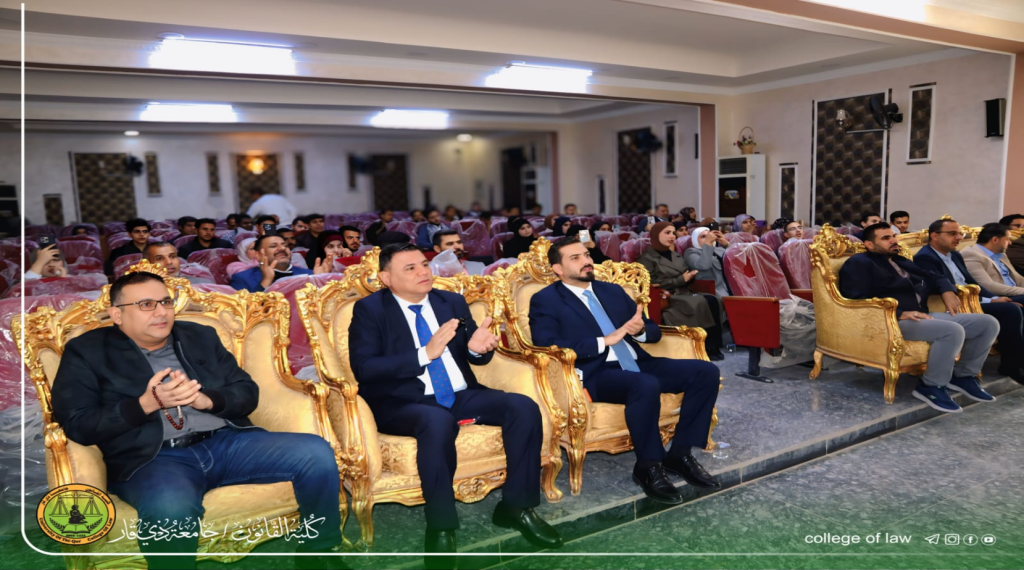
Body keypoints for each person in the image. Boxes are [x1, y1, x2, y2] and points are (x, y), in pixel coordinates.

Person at [50, 272, 343, 570]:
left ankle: (319, 552)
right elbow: (78, 424)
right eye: (147, 304)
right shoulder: (87, 351)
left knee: (316, 452)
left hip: (226, 442)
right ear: (117, 314)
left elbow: (247, 392)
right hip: (152, 459)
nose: (161, 312)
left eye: (165, 302)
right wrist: (146, 404)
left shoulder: (199, 336)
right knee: (170, 508)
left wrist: (208, 400)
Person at [347, 244, 563, 563]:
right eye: (410, 268)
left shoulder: (450, 301)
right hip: (402, 400)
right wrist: (425, 353)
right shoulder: (370, 310)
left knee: (523, 407)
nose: (423, 272)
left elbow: (475, 352)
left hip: (459, 392)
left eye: (424, 264)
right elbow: (365, 368)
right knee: (436, 421)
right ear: (386, 278)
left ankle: (517, 507)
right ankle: (441, 526)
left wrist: (477, 349)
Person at [529, 238, 721, 504]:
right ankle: (648, 466)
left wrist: (640, 331)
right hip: (596, 373)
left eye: (586, 255)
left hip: (637, 362)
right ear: (558, 269)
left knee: (705, 371)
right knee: (644, 384)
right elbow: (546, 344)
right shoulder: (545, 300)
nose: (586, 261)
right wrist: (603, 341)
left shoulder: (612, 291)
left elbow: (651, 329)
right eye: (575, 258)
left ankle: (679, 454)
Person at [839, 222, 999, 411]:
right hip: (889, 320)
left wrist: (947, 290)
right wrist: (900, 313)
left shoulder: (899, 260)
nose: (893, 240)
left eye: (893, 236)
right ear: (869, 245)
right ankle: (931, 386)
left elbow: (934, 276)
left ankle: (963, 376)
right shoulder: (859, 263)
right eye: (886, 238)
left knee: (988, 323)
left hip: (920, 314)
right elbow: (856, 299)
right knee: (952, 331)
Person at [915, 219, 1024, 384]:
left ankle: (1016, 361)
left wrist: (994, 298)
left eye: (960, 233)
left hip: (974, 299)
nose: (959, 238)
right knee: (1010, 310)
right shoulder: (925, 257)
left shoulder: (955, 255)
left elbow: (973, 283)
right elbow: (943, 286)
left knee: (1014, 306)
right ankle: (1012, 366)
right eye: (952, 234)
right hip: (953, 304)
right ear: (935, 236)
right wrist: (991, 301)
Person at [638, 222, 724, 359]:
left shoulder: (676, 255)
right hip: (667, 295)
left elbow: (685, 274)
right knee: (698, 302)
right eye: (667, 233)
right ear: (656, 235)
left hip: (684, 291)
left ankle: (713, 345)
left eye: (673, 233)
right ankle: (703, 346)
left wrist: (689, 277)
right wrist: (681, 279)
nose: (672, 236)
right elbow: (650, 284)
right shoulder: (646, 258)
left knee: (713, 300)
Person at [230, 234, 332, 292]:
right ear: (258, 255)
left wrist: (322, 281)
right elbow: (244, 312)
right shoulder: (242, 278)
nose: (282, 248)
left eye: (285, 245)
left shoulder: (309, 274)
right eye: (273, 246)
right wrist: (266, 281)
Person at [961, 222, 1024, 299]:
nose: (1010, 243)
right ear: (995, 240)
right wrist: (1021, 291)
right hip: (998, 297)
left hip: (1015, 293)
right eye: (1007, 239)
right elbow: (987, 286)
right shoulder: (971, 255)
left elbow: (1019, 279)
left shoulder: (1002, 254)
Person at [684, 227, 730, 298]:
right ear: (695, 239)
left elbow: (737, 262)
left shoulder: (720, 249)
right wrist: (708, 244)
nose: (708, 238)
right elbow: (704, 265)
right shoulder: (691, 252)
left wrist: (726, 244)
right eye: (703, 236)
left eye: (709, 236)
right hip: (712, 291)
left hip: (730, 286)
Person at [144, 242, 213, 285]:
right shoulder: (141, 289)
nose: (169, 262)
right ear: (147, 264)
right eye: (159, 258)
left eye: (173, 256)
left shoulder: (203, 284)